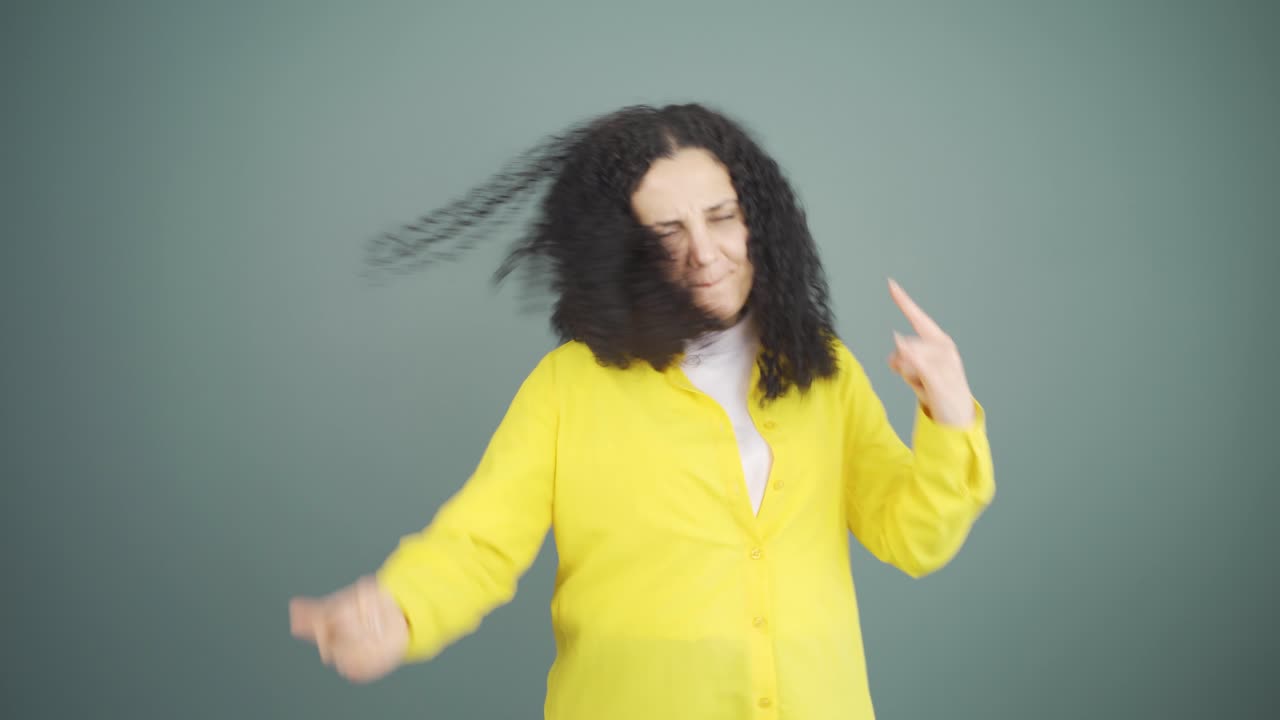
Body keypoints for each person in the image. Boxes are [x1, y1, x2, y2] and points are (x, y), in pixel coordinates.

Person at [289, 103, 995, 719]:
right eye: (666, 233)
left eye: (722, 218)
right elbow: (479, 544)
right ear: (624, 249)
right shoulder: (570, 386)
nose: (705, 254)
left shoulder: (822, 369)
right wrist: (401, 610)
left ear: (760, 220)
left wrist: (950, 418)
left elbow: (913, 538)